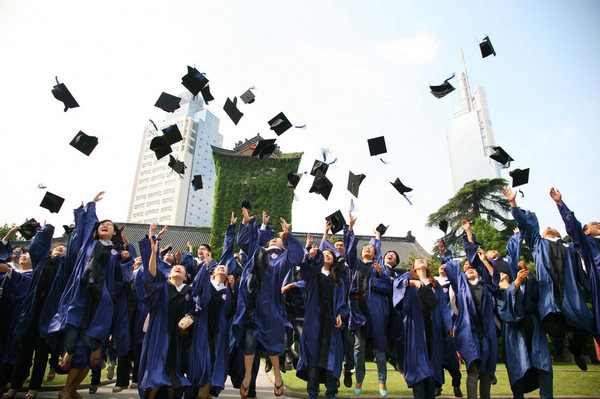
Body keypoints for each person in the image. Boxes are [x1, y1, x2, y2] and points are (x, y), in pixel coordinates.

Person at [48, 192, 134, 399]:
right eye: (101, 224)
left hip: (101, 305)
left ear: (114, 233)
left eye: (109, 225)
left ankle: (71, 389)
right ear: (96, 230)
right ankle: (67, 388)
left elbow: (121, 281)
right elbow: (85, 227)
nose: (105, 225)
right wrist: (91, 206)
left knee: (90, 351)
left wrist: (125, 261)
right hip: (80, 298)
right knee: (75, 345)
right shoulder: (87, 245)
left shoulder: (115, 253)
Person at [503, 186, 593, 370]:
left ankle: (577, 352)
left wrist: (560, 203)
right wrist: (513, 203)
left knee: (584, 329)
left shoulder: (570, 248)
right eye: (546, 228)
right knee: (554, 329)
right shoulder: (537, 244)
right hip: (549, 298)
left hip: (571, 296)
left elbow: (582, 274)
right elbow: (526, 227)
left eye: (552, 228)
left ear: (559, 234)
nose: (549, 227)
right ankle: (560, 345)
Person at [232, 208, 304, 398]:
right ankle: (248, 377)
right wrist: (247, 223)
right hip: (251, 305)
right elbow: (244, 242)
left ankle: (278, 376)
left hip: (271, 306)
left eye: (277, 239)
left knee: (273, 343)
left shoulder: (283, 258)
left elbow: (297, 255)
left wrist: (288, 235)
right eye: (272, 238)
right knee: (249, 341)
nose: (273, 239)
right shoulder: (258, 252)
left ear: (283, 246)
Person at [443, 220, 498, 399]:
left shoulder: (486, 286)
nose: (470, 269)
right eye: (467, 269)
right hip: (469, 331)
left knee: (487, 372)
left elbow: (491, 276)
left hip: (487, 331)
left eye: (473, 268)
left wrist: (469, 233)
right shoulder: (461, 286)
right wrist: (445, 254)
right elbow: (452, 269)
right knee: (473, 369)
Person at [137, 222, 193, 399]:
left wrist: (189, 318)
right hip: (160, 330)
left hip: (177, 334)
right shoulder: (162, 287)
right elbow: (152, 273)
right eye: (176, 268)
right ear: (169, 274)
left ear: (185, 277)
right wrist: (153, 250)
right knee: (157, 364)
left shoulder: (188, 292)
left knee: (173, 366)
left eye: (182, 269)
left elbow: (194, 311)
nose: (178, 268)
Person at [344, 213, 393, 397]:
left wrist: (380, 274)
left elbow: (388, 287)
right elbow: (349, 250)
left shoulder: (378, 265)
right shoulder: (355, 264)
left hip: (377, 310)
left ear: (374, 253)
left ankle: (382, 382)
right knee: (359, 347)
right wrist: (350, 228)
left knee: (380, 348)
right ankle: (359, 379)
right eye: (364, 247)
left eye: (369, 248)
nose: (366, 249)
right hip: (358, 310)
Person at [0, 225, 51, 398]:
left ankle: (14, 382)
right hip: (9, 318)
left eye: (26, 254)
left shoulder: (36, 274)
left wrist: (9, 272)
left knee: (22, 351)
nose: (22, 255)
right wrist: (8, 234)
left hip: (27, 318)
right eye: (21, 254)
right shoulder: (12, 272)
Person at [393, 258, 454, 399]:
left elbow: (444, 308)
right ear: (413, 268)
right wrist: (412, 283)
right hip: (415, 327)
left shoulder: (435, 285)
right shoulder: (407, 280)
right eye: (417, 261)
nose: (421, 260)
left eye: (423, 260)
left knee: (432, 364)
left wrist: (449, 326)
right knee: (418, 363)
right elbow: (395, 285)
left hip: (434, 327)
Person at [296, 245, 347, 399]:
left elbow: (342, 301)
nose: (326, 255)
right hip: (314, 322)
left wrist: (341, 314)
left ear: (334, 260)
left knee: (331, 357)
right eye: (323, 253)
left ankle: (331, 393)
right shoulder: (313, 275)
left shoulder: (338, 279)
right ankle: (313, 393)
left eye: (329, 254)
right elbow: (304, 271)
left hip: (331, 323)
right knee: (313, 357)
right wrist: (311, 257)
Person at [550, 187, 600, 340]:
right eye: (593, 223)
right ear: (586, 232)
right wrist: (560, 204)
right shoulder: (587, 242)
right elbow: (574, 227)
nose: (598, 223)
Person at [320, 221, 354, 388]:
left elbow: (351, 247)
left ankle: (347, 369)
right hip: (334, 308)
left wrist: (350, 229)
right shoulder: (332, 270)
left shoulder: (348, 266)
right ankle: (333, 374)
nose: (339, 247)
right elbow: (321, 254)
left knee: (348, 341)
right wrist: (325, 233)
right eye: (336, 245)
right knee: (333, 344)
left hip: (349, 310)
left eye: (342, 245)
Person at [433, 266, 463, 398]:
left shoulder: (454, 284)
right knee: (437, 359)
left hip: (450, 324)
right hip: (436, 325)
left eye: (446, 267)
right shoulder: (433, 282)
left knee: (452, 359)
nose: (443, 268)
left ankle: (456, 385)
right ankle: (437, 386)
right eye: (441, 266)